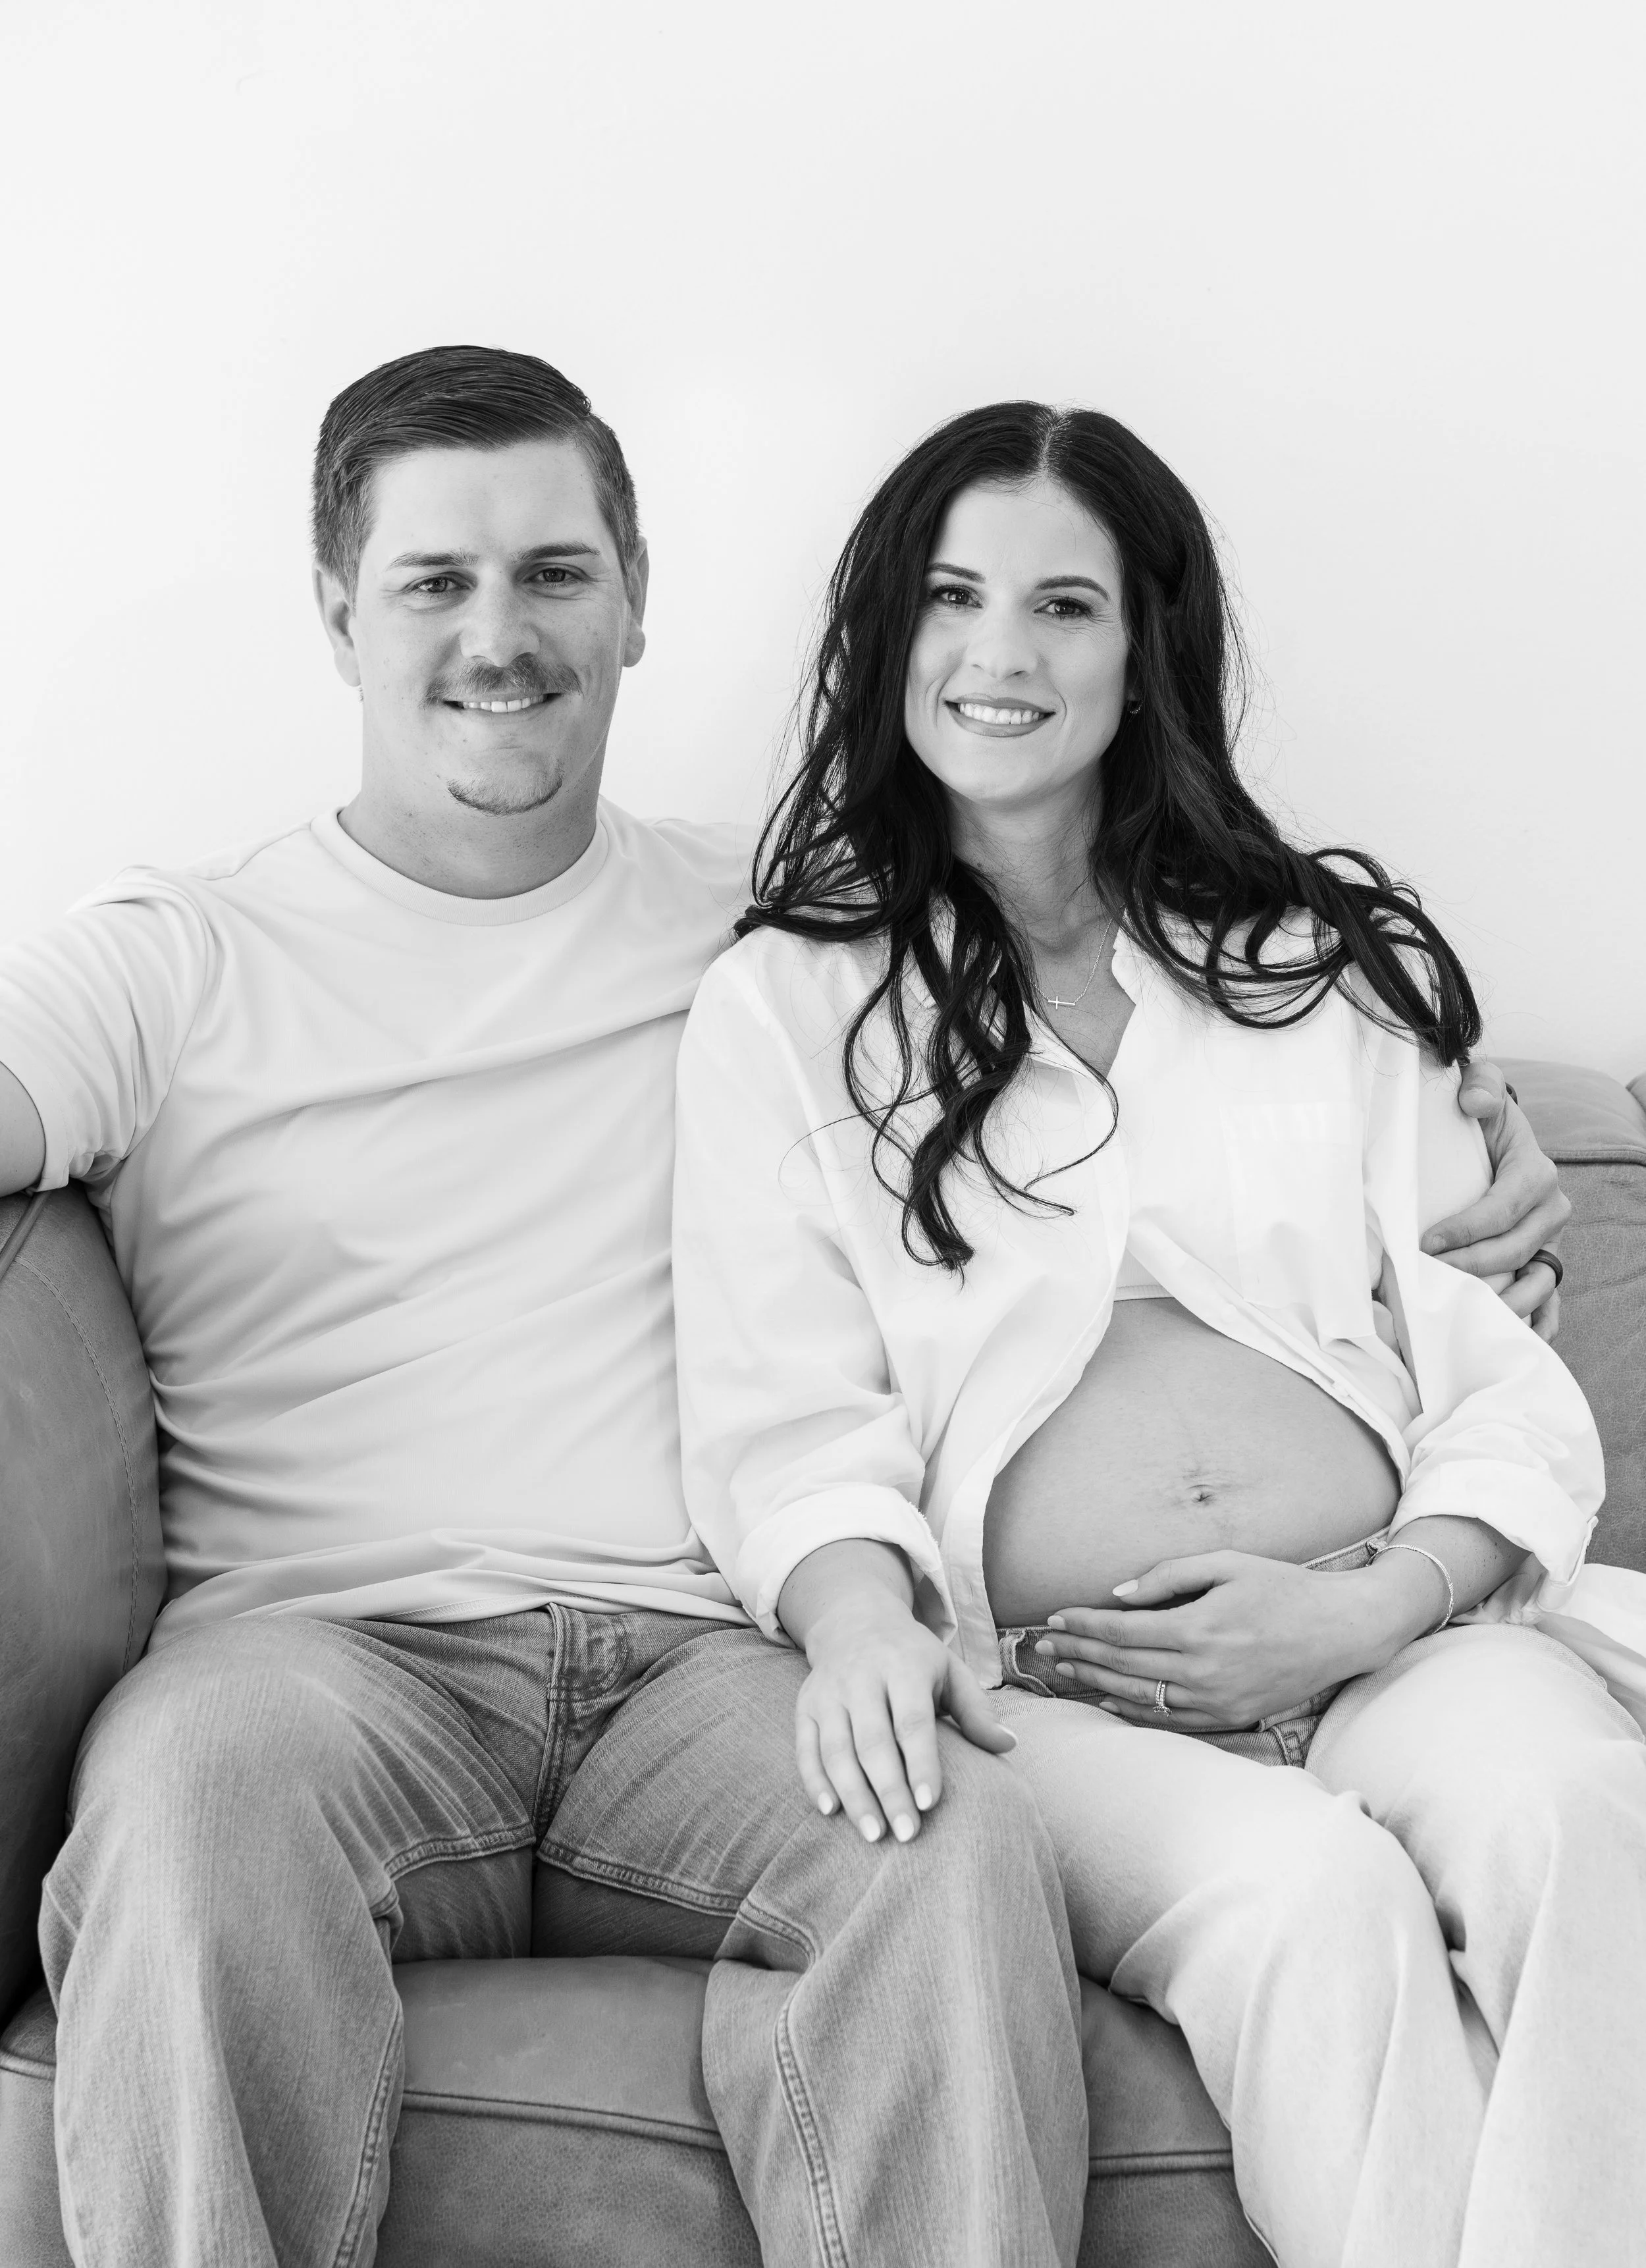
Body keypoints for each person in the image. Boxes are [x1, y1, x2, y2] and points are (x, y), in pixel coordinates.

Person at [0, 350, 1094, 2268]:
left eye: (553, 574)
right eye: (434, 580)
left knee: (953, 1842)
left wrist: (1450, 1136)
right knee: (186, 1797)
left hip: (703, 1668)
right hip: (322, 1671)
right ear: (337, 609)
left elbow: (1131, 1039)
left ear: (638, 595)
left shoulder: (779, 924)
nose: (498, 636)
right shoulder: (176, 955)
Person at [670, 401, 1645, 2268]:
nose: (998, 655)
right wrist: (856, 1609)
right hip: (1061, 1684)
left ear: (1147, 650)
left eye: (1064, 606)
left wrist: (1370, 1601)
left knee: (1575, 1805)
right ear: (887, 638)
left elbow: (1495, 1375)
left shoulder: (1317, 967)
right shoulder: (785, 1008)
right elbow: (782, 1417)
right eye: (952, 598)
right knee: (1313, 1905)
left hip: (1395, 1615)